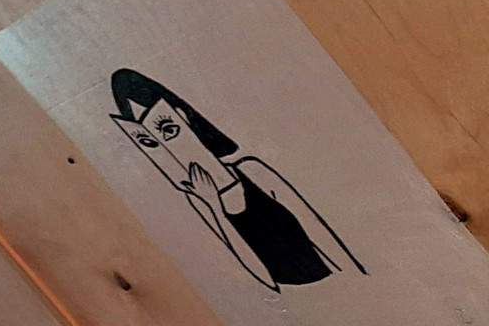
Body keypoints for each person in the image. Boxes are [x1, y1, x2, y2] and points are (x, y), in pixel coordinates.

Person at [108, 69, 364, 291]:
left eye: (169, 130)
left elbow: (315, 227)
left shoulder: (251, 170)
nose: (168, 148)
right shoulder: (201, 201)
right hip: (297, 303)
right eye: (150, 142)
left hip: (339, 284)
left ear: (183, 117)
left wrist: (355, 277)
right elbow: (264, 279)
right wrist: (213, 205)